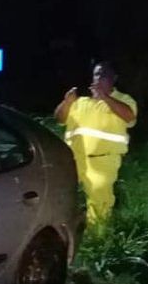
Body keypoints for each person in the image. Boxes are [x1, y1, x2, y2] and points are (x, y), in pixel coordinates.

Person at [55, 62, 138, 226]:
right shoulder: (80, 102)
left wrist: (105, 97)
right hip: (73, 161)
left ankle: (98, 241)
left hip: (102, 162)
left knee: (100, 206)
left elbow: (129, 116)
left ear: (113, 79)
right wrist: (67, 102)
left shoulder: (123, 100)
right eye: (97, 74)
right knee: (63, 200)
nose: (99, 78)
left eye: (104, 75)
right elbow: (59, 118)